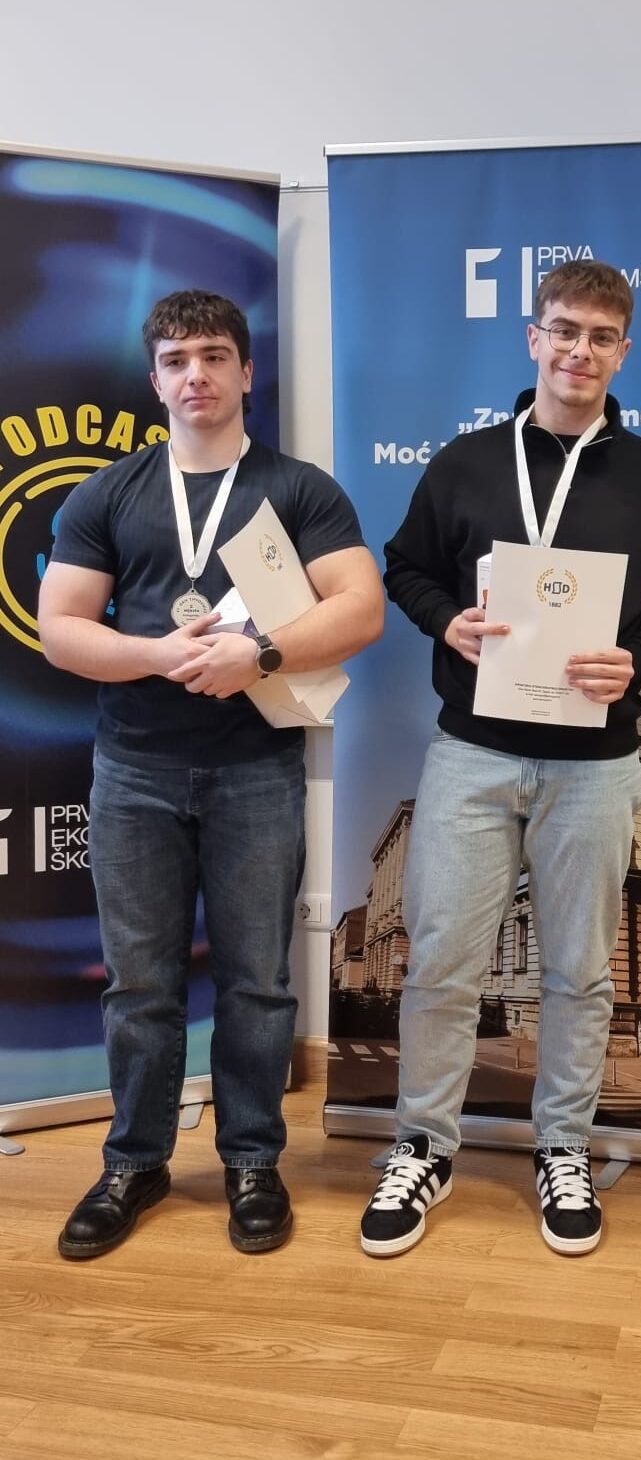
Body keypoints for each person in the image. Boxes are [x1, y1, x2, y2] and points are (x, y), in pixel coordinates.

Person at [361, 260, 641, 1258]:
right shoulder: (467, 462)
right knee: (442, 963)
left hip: (596, 764)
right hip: (473, 753)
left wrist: (639, 658)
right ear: (533, 338)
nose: (579, 350)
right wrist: (449, 620)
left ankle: (563, 1145)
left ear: (623, 351)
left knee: (579, 971)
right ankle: (423, 1145)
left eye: (600, 336)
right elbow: (406, 566)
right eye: (563, 330)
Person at [39, 290, 384, 1258]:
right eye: (178, 359)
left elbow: (360, 608)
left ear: (245, 372)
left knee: (257, 982)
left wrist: (258, 653)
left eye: (215, 355)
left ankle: (252, 1161)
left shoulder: (300, 489)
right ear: (156, 380)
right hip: (135, 771)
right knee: (140, 984)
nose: (197, 374)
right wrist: (160, 654)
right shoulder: (107, 493)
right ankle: (134, 1160)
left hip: (255, 771)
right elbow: (60, 628)